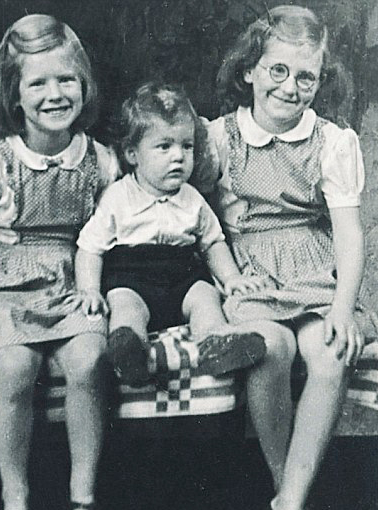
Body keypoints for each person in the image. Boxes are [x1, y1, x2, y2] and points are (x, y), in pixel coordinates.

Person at [205, 5, 378, 510]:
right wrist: (226, 275)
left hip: (311, 264)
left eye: (306, 76)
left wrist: (341, 307)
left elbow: (349, 232)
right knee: (268, 349)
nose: (291, 87)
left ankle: (286, 508)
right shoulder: (216, 138)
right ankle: (293, 502)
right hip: (251, 268)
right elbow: (196, 219)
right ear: (249, 71)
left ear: (320, 79)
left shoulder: (332, 142)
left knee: (329, 354)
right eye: (277, 71)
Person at [0, 14, 119, 510]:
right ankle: (15, 509)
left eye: (66, 80)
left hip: (72, 277)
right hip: (2, 279)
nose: (54, 94)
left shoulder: (102, 161)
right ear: (14, 95)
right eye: (37, 83)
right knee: (16, 366)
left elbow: (110, 228)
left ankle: (83, 502)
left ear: (84, 85)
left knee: (90, 359)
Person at [75, 82, 266, 387]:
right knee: (124, 306)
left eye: (186, 146)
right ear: (132, 153)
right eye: (164, 146)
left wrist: (231, 278)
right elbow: (90, 247)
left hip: (182, 276)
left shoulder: (191, 198)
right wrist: (88, 289)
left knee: (206, 298)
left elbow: (213, 241)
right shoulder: (117, 197)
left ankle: (216, 342)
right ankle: (129, 350)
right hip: (132, 277)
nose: (178, 156)